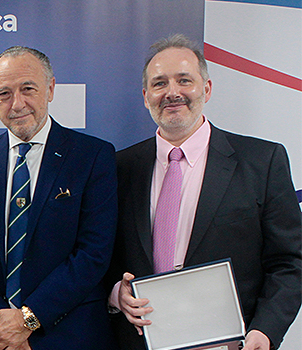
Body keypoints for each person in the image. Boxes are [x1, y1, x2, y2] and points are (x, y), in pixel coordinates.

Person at [107, 34, 302, 350]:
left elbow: (290, 263)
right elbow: (100, 255)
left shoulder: (262, 162)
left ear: (207, 89)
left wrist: (264, 331)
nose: (172, 93)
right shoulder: (119, 168)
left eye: (184, 80)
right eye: (159, 84)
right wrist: (117, 292)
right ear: (145, 96)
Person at [0, 46, 117, 350]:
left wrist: (27, 319)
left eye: (28, 89)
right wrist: (2, 326)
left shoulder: (93, 156)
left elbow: (93, 252)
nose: (17, 104)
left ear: (51, 89)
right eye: (4, 94)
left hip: (67, 334)